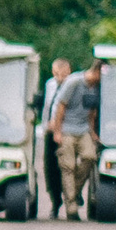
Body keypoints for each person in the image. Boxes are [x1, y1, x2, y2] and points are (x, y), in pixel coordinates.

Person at [48, 59, 103, 217]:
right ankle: (71, 207)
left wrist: (92, 132)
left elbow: (92, 111)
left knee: (89, 157)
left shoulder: (95, 88)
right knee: (68, 166)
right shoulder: (74, 82)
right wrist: (58, 131)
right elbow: (61, 106)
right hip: (67, 130)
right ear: (97, 71)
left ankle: (72, 193)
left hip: (83, 129)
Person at [38, 58, 74, 219]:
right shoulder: (50, 85)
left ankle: (72, 197)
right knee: (50, 168)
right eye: (56, 74)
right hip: (50, 131)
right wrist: (46, 125)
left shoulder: (73, 85)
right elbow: (48, 106)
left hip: (67, 130)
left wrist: (60, 124)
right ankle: (55, 201)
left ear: (69, 72)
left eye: (63, 74)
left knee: (66, 167)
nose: (59, 78)